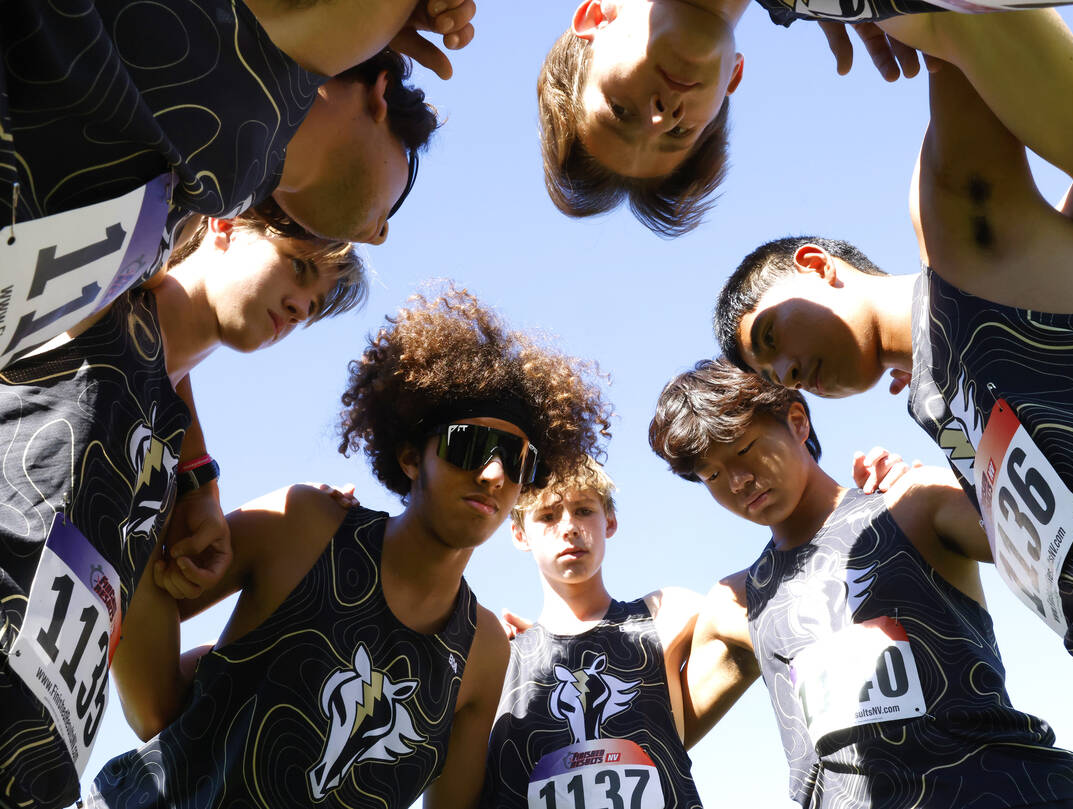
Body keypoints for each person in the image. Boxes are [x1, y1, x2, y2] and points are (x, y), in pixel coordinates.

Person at [712, 10, 1073, 808]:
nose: (791, 368)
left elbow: (964, 27)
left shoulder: (953, 229)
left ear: (816, 267)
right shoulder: (949, 396)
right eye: (778, 377)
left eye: (771, 336)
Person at [85, 287, 613, 809]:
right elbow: (135, 596)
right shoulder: (304, 524)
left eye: (516, 460)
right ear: (411, 456)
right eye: (469, 445)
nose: (494, 474)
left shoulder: (483, 651)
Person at [0, 212, 368, 809]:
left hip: (34, 763)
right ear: (224, 223)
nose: (301, 306)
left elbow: (155, 708)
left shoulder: (165, 455)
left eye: (316, 305)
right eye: (299, 266)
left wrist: (301, 591)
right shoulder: (106, 290)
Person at [647, 358, 1073, 808]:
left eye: (745, 450)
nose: (739, 480)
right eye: (711, 475)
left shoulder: (912, 505)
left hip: (1014, 791)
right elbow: (647, 742)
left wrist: (959, 446)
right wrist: (649, 621)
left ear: (796, 421)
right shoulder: (738, 603)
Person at [1, 6, 442, 364]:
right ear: (380, 95)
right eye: (397, 199)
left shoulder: (183, 216)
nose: (381, 234)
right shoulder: (266, 52)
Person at [536, 0, 1073, 237]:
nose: (661, 117)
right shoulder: (907, 15)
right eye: (680, 135)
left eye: (621, 111)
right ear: (732, 78)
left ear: (596, 14)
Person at [481, 458, 704, 809]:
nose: (569, 527)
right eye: (548, 516)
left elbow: (752, 613)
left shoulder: (666, 617)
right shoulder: (495, 657)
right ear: (520, 533)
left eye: (584, 510)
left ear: (610, 521)